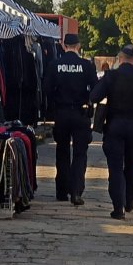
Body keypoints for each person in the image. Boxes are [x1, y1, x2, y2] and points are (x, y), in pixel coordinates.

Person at [90, 44, 133, 220]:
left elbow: (94, 95)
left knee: (115, 168)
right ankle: (129, 198)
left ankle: (118, 208)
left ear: (119, 58)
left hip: (114, 127)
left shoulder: (111, 76)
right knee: (132, 164)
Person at [44, 34, 98, 205]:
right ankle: (76, 192)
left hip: (61, 113)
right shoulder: (86, 65)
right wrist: (87, 100)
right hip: (80, 113)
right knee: (80, 153)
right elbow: (95, 89)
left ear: (63, 45)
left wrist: (54, 104)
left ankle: (61, 191)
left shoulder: (55, 65)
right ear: (78, 45)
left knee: (62, 151)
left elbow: (46, 89)